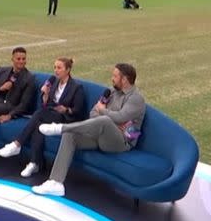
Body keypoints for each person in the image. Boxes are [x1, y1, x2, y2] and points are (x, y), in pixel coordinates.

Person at [32, 63, 146, 197]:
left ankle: (61, 128)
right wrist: (111, 118)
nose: (112, 78)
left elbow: (120, 117)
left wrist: (104, 111)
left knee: (105, 120)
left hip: (122, 142)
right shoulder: (112, 92)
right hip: (101, 136)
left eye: (115, 76)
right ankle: (56, 182)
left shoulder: (136, 99)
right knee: (70, 135)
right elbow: (93, 113)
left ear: (125, 79)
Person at [0, 57, 86, 178]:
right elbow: (47, 104)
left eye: (59, 68)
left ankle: (17, 143)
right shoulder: (54, 81)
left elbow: (78, 111)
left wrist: (66, 109)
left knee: (39, 114)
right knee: (39, 125)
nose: (56, 70)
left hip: (66, 118)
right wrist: (46, 95)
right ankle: (35, 163)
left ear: (68, 70)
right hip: (51, 114)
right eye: (55, 67)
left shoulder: (76, 87)